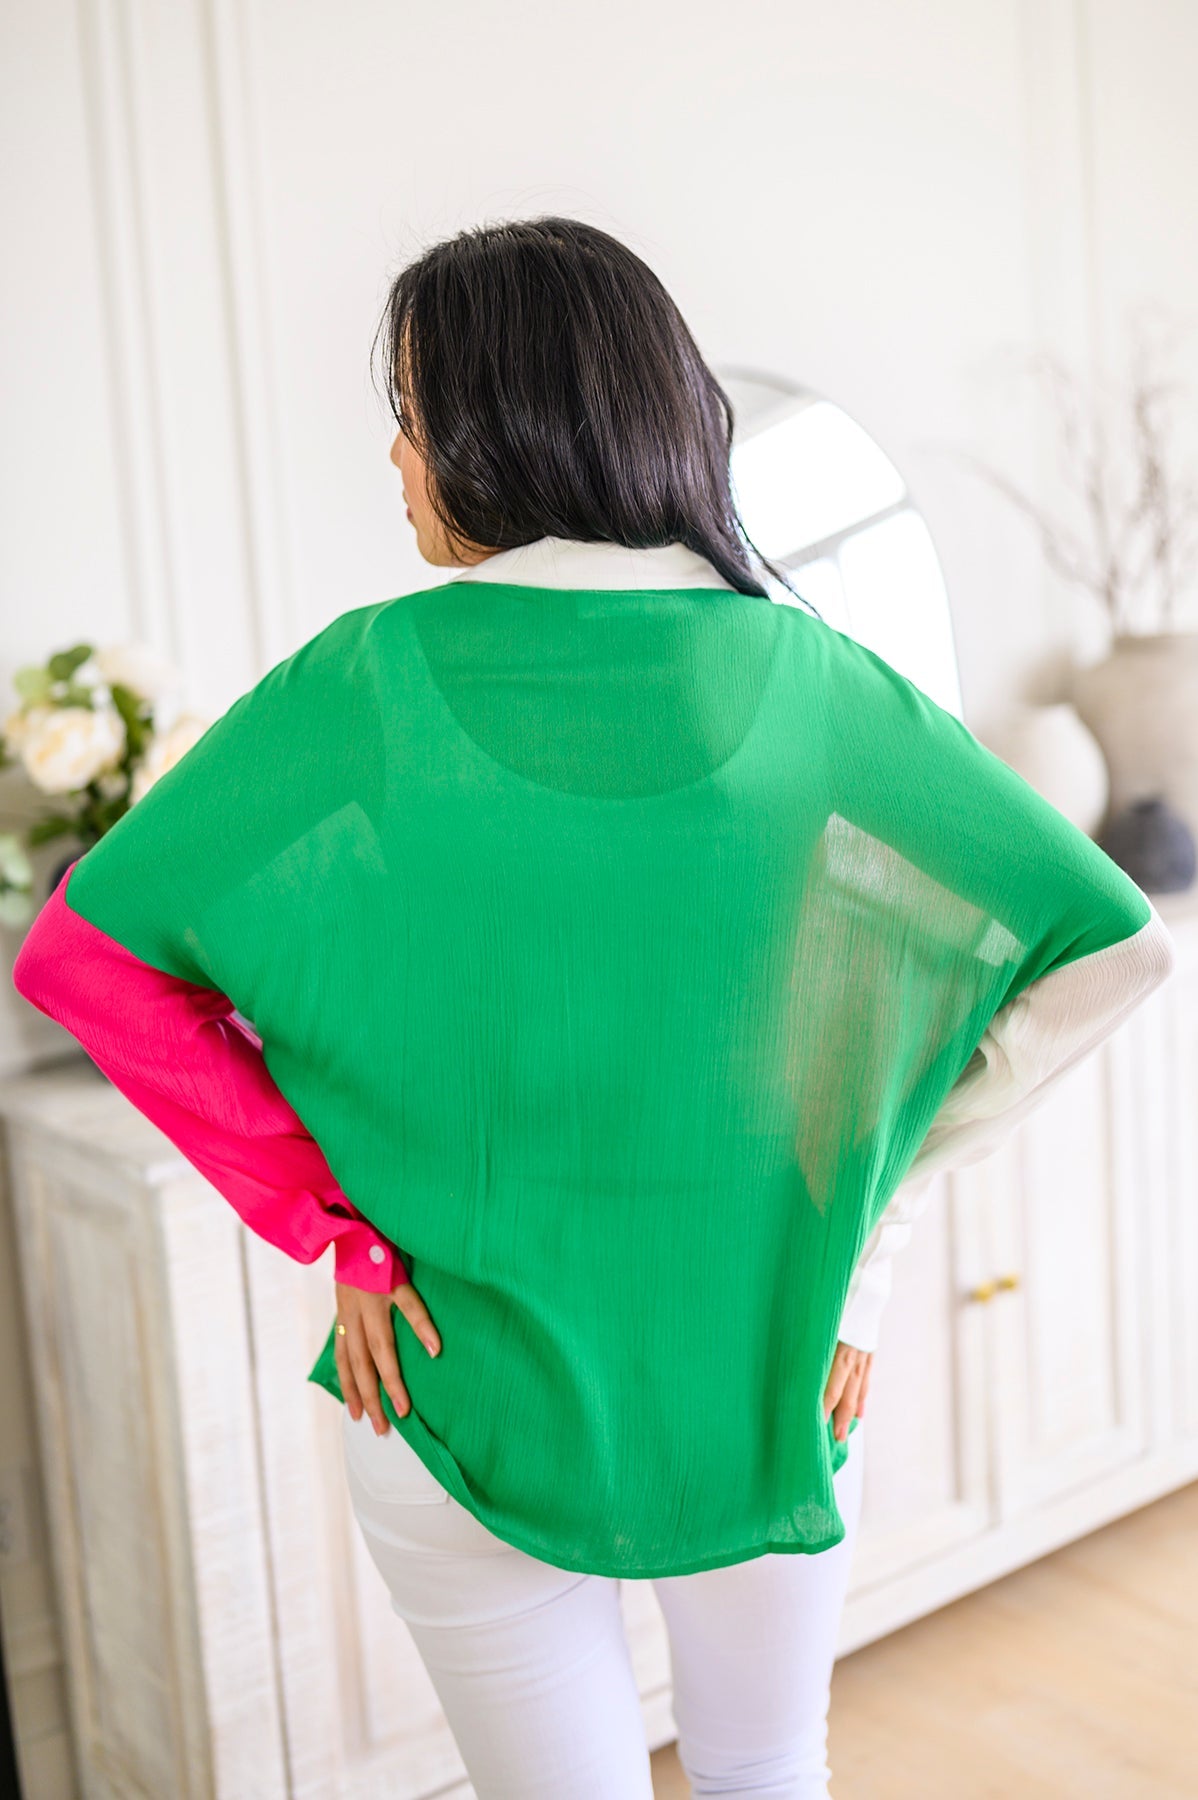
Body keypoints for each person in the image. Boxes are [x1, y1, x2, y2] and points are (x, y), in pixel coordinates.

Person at [11, 216, 1176, 1799]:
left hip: (446, 1386)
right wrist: (862, 1242)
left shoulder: (362, 684)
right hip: (766, 1373)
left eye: (411, 415)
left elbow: (88, 962)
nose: (397, 461)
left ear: (503, 425)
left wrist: (334, 1223)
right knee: (764, 1768)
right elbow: (1110, 951)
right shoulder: (814, 681)